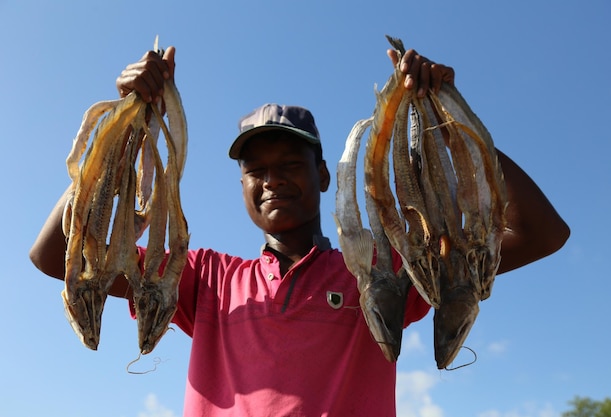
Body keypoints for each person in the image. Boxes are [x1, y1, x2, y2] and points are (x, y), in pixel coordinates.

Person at [30, 45, 570, 417]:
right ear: (240, 185)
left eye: (288, 163)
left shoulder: (383, 272)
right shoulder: (204, 279)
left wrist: (453, 123)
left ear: (321, 176)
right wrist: (122, 125)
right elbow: (58, 257)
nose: (270, 181)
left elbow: (542, 234)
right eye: (254, 170)